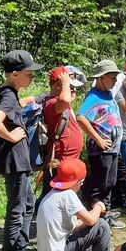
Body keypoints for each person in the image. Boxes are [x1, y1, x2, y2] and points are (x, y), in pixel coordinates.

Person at [0, 49, 44, 251]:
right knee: (17, 209)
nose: (32, 76)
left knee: (28, 205)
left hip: (17, 160)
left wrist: (31, 100)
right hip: (14, 161)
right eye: (28, 73)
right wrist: (11, 136)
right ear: (15, 74)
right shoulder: (9, 96)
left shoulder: (5, 91)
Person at [36, 159, 113, 251]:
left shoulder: (52, 193)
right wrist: (98, 206)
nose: (81, 185)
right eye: (81, 182)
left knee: (94, 228)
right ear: (77, 181)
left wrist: (90, 217)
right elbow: (91, 221)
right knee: (102, 226)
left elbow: (75, 225)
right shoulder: (68, 194)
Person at [77, 60, 125, 229]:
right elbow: (81, 117)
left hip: (112, 149)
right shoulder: (93, 96)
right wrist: (98, 139)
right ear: (101, 78)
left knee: (110, 182)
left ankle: (105, 214)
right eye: (112, 77)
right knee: (100, 184)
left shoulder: (108, 94)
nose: (114, 80)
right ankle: (95, 218)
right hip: (101, 150)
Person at [35, 66, 84, 204]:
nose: (73, 91)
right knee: (52, 196)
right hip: (58, 163)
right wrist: (66, 85)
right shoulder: (51, 103)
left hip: (66, 161)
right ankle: (40, 213)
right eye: (70, 87)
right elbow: (64, 101)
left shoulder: (59, 103)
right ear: (58, 85)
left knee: (60, 196)